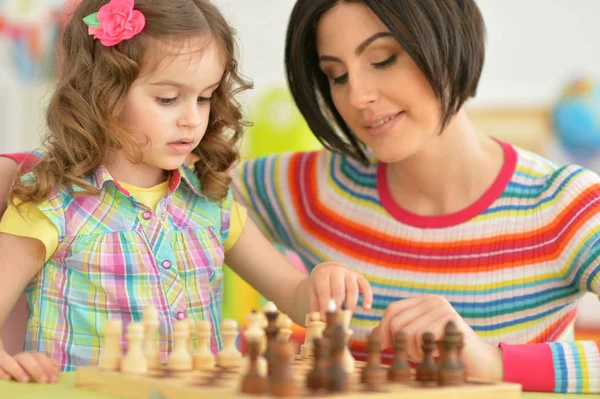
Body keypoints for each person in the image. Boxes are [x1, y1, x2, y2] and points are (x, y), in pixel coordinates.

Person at [232, 0, 600, 394]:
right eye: (336, 76)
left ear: (447, 44)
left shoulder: (566, 204)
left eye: (383, 59)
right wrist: (292, 289)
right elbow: (192, 191)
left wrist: (492, 362)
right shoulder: (314, 188)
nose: (356, 96)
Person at [0, 0, 372, 384]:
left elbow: (295, 297)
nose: (192, 119)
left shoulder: (211, 202)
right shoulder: (49, 201)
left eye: (205, 97)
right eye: (167, 99)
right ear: (101, 93)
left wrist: (321, 281)